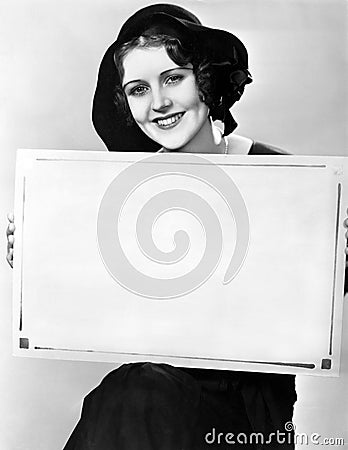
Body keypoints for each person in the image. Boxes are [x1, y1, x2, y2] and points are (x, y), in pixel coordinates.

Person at [6, 3, 348, 449]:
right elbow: (91, 301)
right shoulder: (120, 194)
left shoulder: (281, 176)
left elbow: (307, 310)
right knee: (132, 394)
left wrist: (335, 262)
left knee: (137, 396)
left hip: (247, 411)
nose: (158, 103)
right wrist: (35, 259)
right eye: (138, 89)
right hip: (158, 398)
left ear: (205, 77)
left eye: (173, 78)